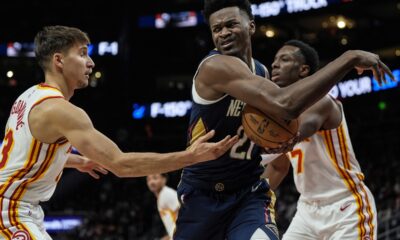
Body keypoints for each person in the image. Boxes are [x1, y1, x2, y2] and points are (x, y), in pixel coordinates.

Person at [173, 0, 394, 239]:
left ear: (251, 26)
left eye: (231, 24)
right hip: (207, 194)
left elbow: (293, 126)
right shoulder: (216, 66)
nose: (276, 64)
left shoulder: (312, 98)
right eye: (217, 29)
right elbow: (286, 110)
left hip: (341, 204)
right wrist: (349, 58)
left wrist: (281, 145)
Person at [0, 25, 238, 240]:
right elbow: (121, 164)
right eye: (82, 53)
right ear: (59, 60)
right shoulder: (62, 110)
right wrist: (191, 156)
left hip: (18, 207)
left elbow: (25, 155)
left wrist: (76, 160)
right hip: (10, 210)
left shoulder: (29, 97)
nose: (91, 62)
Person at [262, 39, 378, 239]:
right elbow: (278, 167)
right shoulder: (279, 115)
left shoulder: (321, 102)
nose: (275, 64)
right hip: (307, 210)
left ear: (303, 70)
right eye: (274, 60)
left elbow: (296, 131)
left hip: (346, 206)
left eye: (284, 59)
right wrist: (247, 198)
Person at [147, 174, 180, 240]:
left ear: (164, 179)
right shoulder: (162, 195)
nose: (151, 182)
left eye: (155, 178)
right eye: (149, 179)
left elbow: (185, 215)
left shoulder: (166, 194)